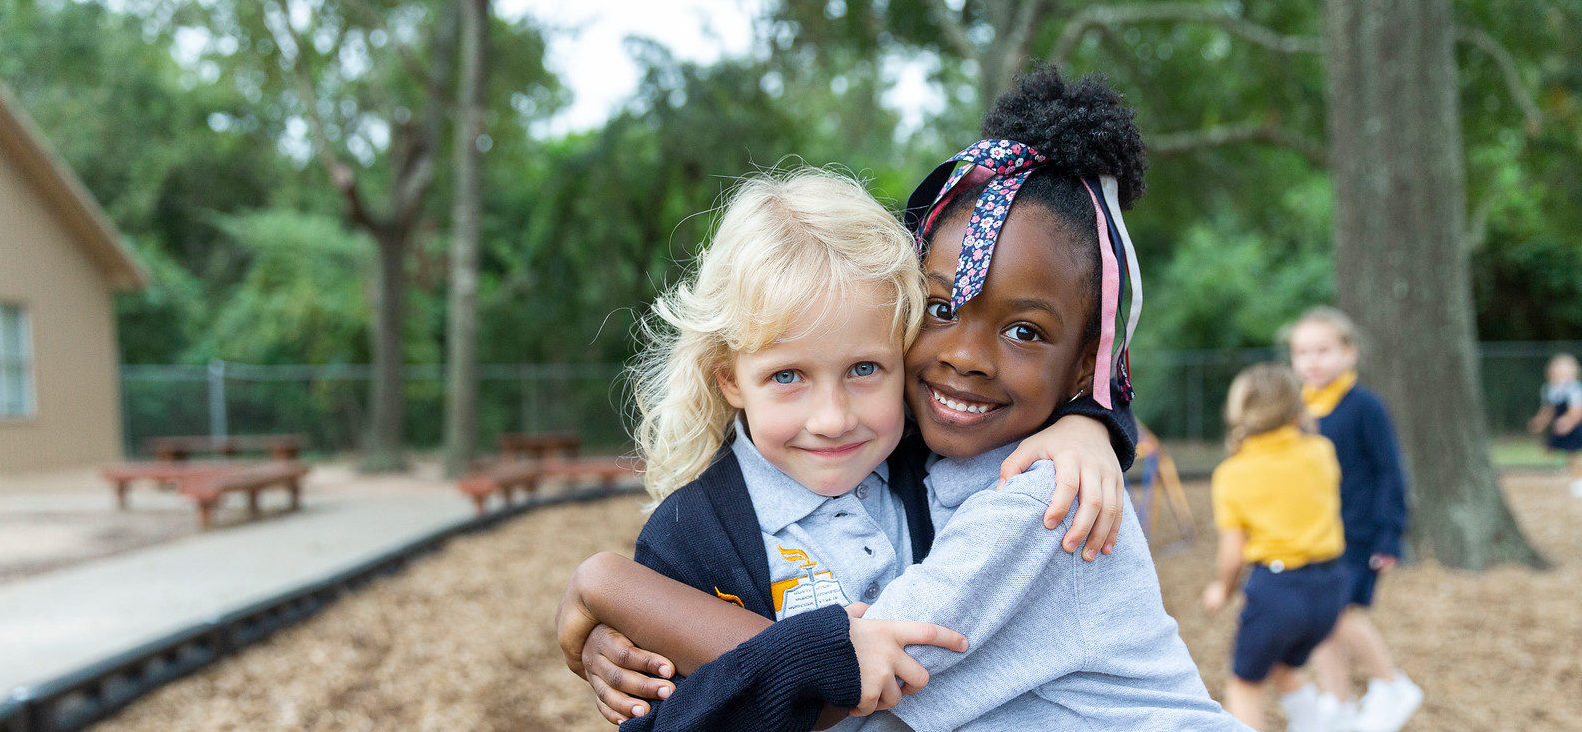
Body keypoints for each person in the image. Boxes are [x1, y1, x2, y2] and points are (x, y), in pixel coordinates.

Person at [560, 66, 1246, 731]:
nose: (965, 359)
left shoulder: (1046, 494)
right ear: (729, 375)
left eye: (864, 368)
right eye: (943, 310)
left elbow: (868, 671)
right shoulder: (703, 528)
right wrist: (620, 618)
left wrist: (610, 587)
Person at [1286, 307, 1423, 732]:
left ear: (1350, 353)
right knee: (1320, 620)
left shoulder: (1364, 405)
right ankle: (1337, 703)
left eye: (1324, 350)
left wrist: (1389, 535)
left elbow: (1390, 472)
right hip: (1316, 534)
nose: (1312, 360)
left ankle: (1393, 685)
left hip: (1360, 533)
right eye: (1302, 352)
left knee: (1342, 613)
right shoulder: (1297, 409)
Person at [1202, 363, 1350, 731]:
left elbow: (1233, 555)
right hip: (1331, 588)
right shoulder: (1321, 451)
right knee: (1285, 669)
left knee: (1244, 685)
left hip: (1279, 591)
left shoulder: (1233, 474)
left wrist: (1222, 589)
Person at [1528, 353, 1582, 497]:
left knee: (1574, 453)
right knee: (1548, 449)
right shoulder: (1549, 389)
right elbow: (1548, 410)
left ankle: (1578, 481)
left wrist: (1569, 421)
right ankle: (1560, 474)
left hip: (1574, 425)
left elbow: (1577, 410)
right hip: (1559, 426)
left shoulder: (1574, 388)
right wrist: (1539, 422)